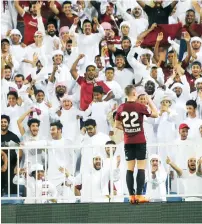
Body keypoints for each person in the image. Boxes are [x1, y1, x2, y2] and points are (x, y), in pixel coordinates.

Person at [115, 85, 158, 203]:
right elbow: (155, 113)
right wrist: (148, 99)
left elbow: (116, 125)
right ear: (134, 93)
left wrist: (127, 129)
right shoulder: (140, 106)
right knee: (141, 168)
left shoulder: (121, 107)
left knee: (129, 169)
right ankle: (139, 195)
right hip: (140, 141)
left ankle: (131, 196)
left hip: (128, 141)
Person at [1, 115, 21, 196]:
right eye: (1, 122)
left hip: (11, 166)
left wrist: (17, 165)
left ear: (8, 124)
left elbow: (20, 151)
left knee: (10, 187)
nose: (3, 123)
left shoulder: (13, 136)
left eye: (5, 122)